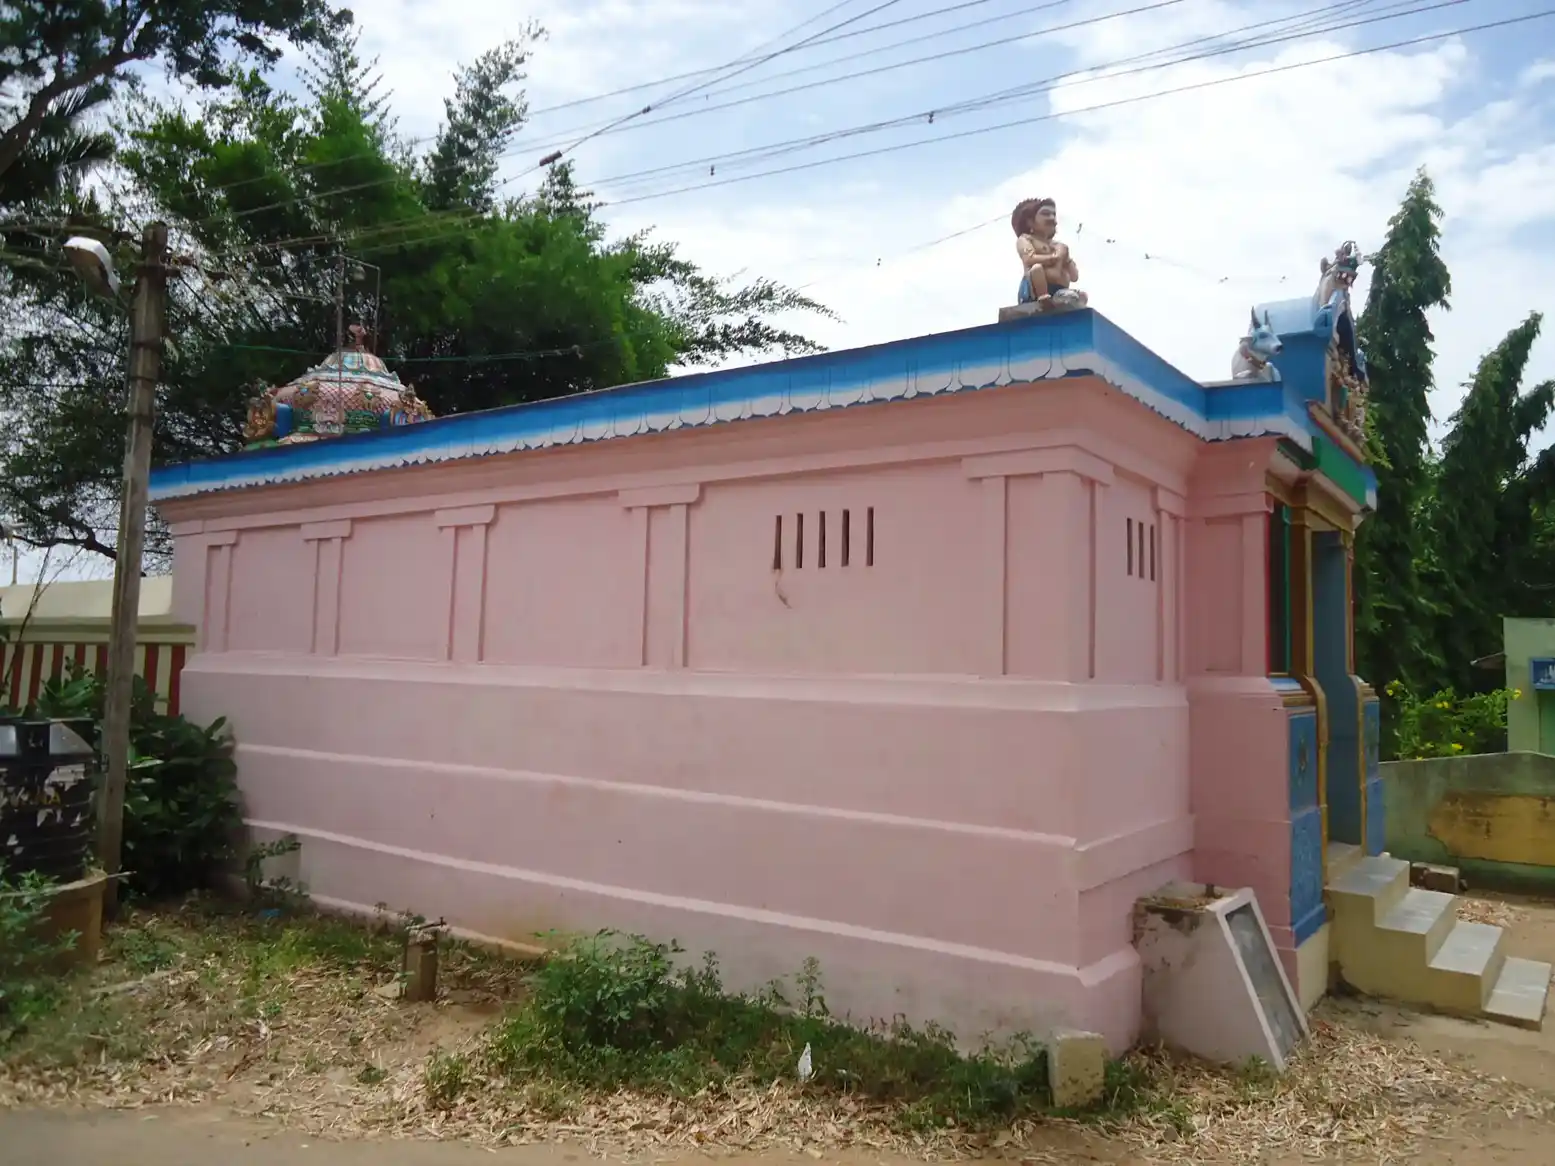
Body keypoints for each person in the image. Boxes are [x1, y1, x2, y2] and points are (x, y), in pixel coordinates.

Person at [1012, 197, 1085, 308]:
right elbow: (1029, 259)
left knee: (1082, 296)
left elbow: (1074, 277)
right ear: (1030, 221)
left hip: (1058, 289)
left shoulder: (1058, 246)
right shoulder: (1026, 239)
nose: (1052, 218)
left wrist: (1067, 258)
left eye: (1053, 214)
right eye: (1045, 214)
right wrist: (1053, 258)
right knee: (1037, 268)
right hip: (1034, 290)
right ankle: (1043, 297)